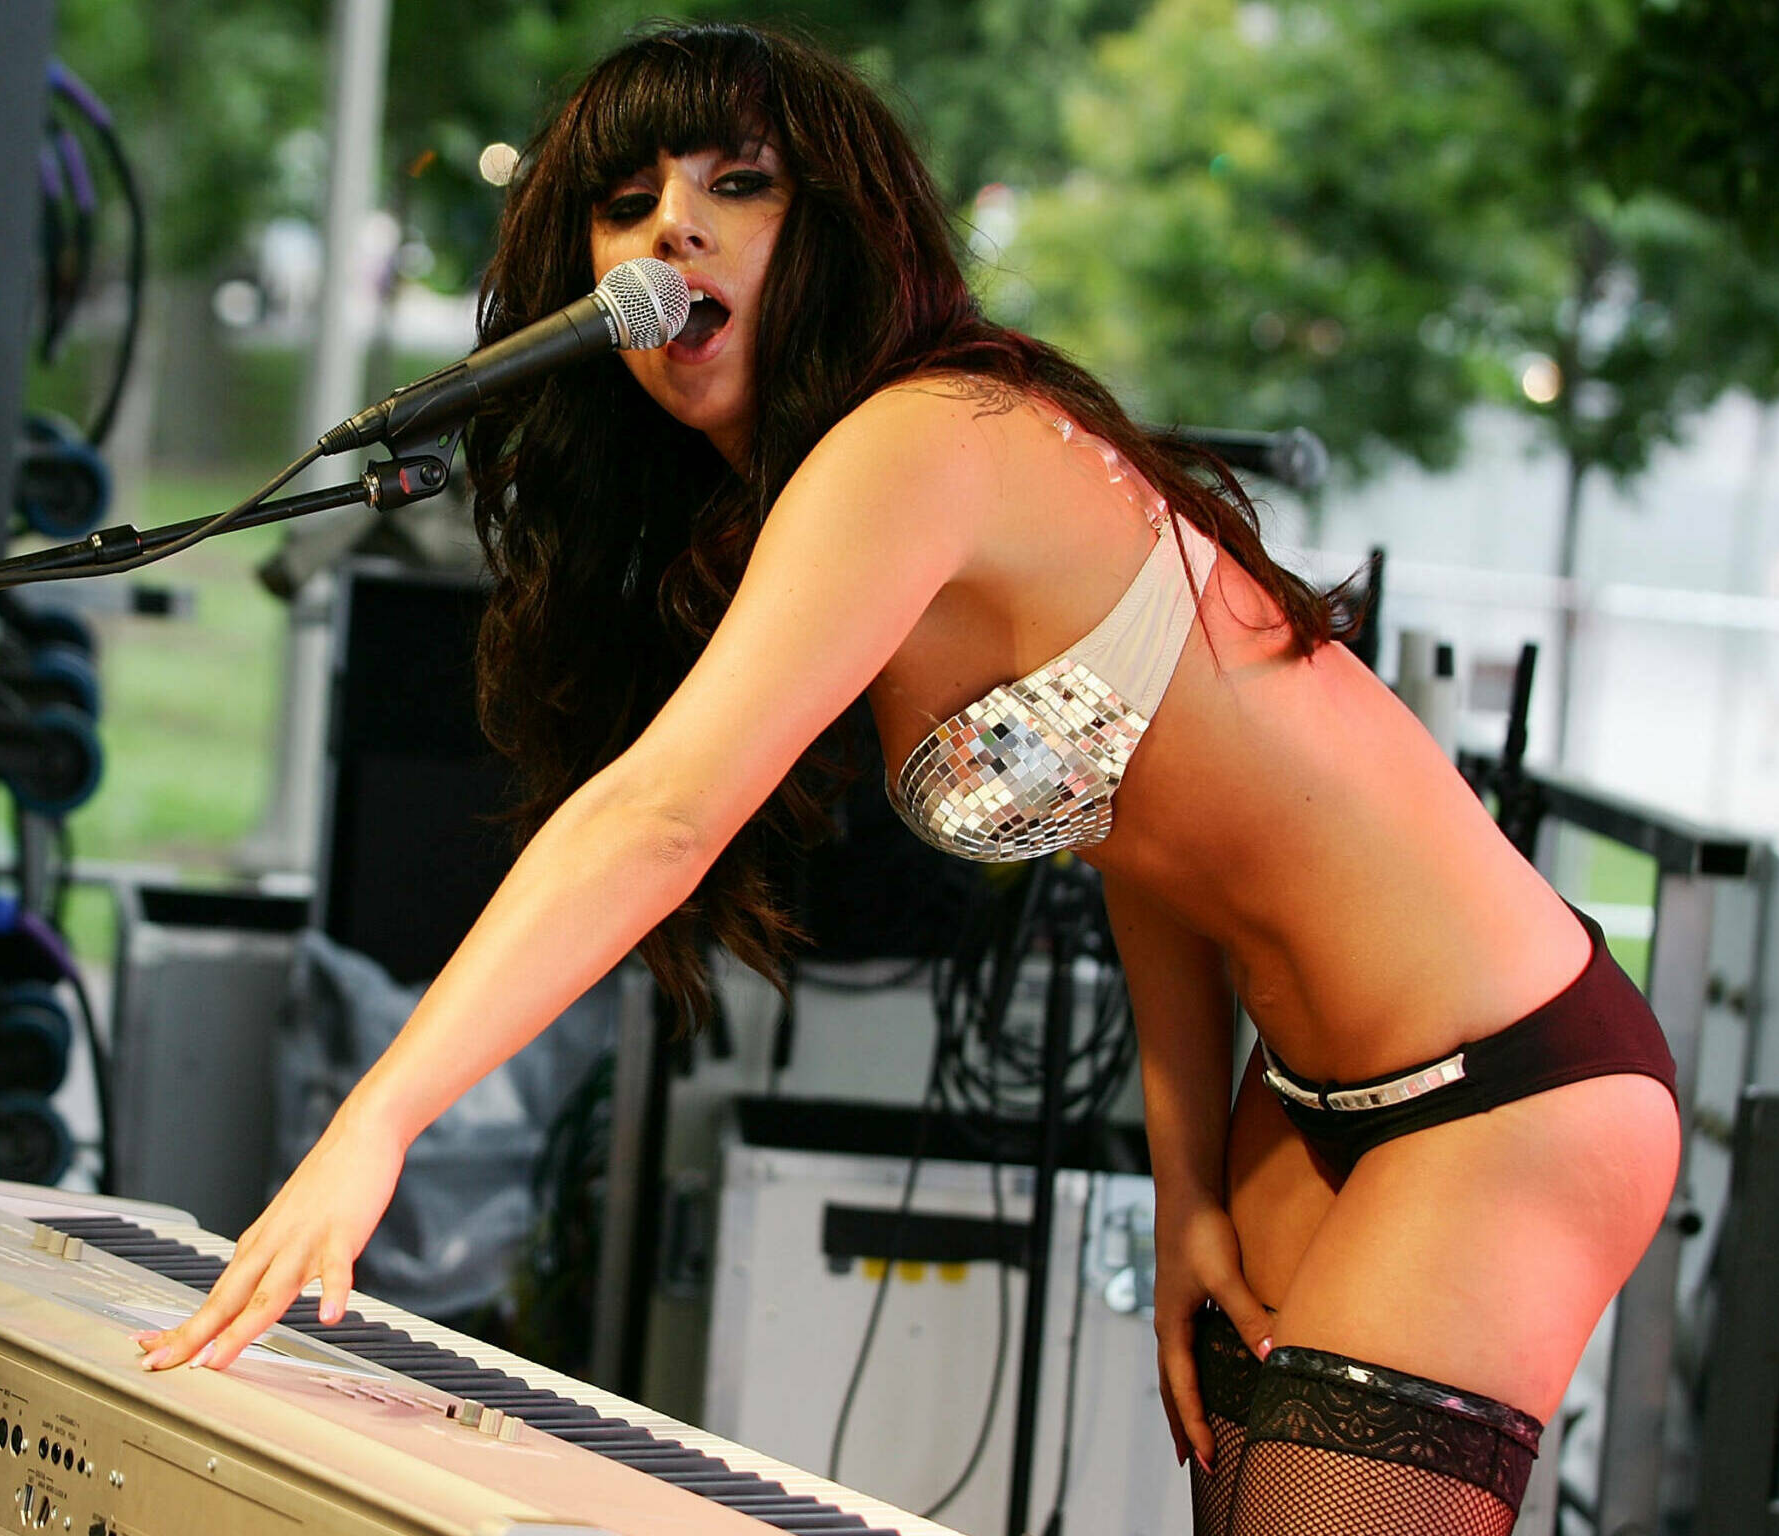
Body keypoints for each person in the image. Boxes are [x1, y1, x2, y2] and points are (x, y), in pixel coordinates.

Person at [138, 22, 1680, 1535]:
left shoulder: (925, 437)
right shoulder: (834, 482)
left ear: (843, 229)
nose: (672, 224)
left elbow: (660, 814)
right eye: (627, 201)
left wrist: (378, 1123)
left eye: (739, 182)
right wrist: (1188, 1178)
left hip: (1509, 1087)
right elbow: (1145, 847)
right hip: (1311, 1098)